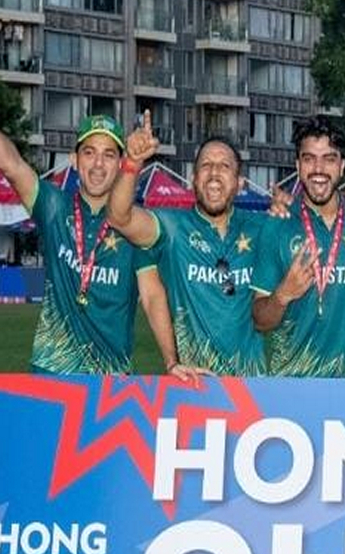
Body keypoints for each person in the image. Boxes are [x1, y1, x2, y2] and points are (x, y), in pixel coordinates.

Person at [0, 70, 176, 375]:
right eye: (89, 152)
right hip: (50, 373)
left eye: (109, 155)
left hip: (110, 382)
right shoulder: (54, 207)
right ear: (74, 159)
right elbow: (11, 164)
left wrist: (172, 361)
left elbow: (152, 295)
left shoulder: (135, 225)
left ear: (121, 165)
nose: (97, 164)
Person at [106, 112, 266, 376]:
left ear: (239, 184)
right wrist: (132, 162)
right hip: (194, 385)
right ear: (193, 179)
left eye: (225, 166)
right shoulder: (172, 228)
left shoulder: (261, 229)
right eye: (205, 165)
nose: (214, 173)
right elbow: (118, 217)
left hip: (251, 390)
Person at [252, 117, 345, 389]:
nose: (318, 169)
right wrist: (283, 295)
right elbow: (260, 321)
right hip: (290, 385)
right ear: (297, 165)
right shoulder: (277, 224)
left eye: (329, 159)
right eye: (309, 159)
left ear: (342, 166)